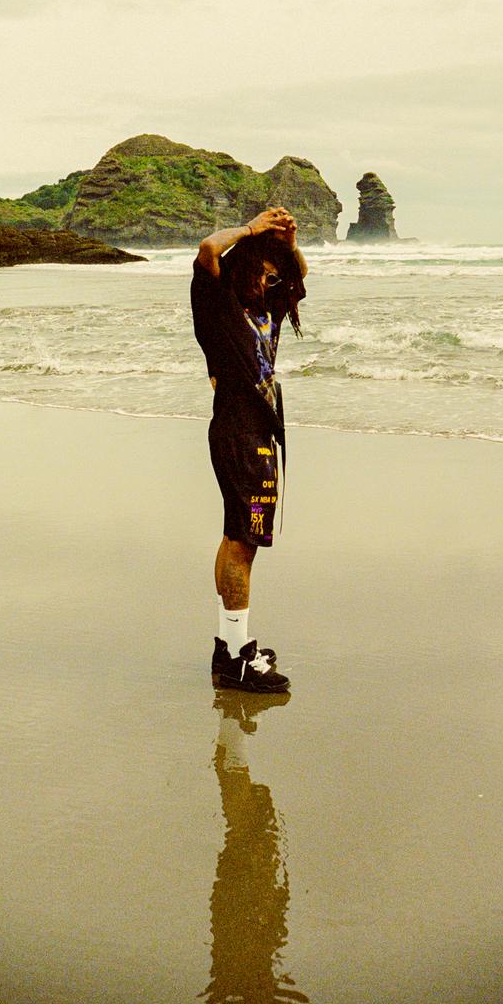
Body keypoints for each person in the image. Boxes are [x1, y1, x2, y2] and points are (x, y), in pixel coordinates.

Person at [191, 206, 308, 693]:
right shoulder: (219, 302)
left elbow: (301, 273)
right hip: (239, 431)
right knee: (243, 541)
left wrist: (289, 240)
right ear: (246, 268)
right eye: (266, 272)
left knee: (239, 538)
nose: (273, 282)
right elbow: (207, 251)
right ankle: (239, 659)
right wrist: (252, 230)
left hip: (256, 432)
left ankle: (229, 647)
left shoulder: (268, 309)